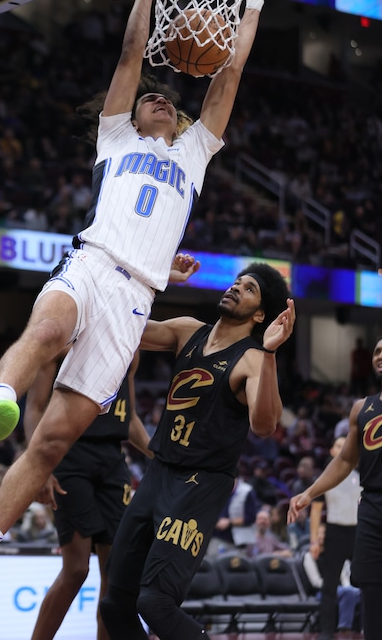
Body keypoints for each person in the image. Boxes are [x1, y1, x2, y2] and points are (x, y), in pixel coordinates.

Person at [0, 0, 269, 623]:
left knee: (53, 443)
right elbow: (129, 54)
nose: (160, 98)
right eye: (151, 96)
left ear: (177, 121)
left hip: (136, 299)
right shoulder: (115, 137)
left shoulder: (195, 153)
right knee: (47, 332)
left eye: (167, 99)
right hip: (92, 261)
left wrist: (250, 6)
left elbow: (228, 76)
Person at [99, 262, 295, 640]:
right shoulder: (188, 330)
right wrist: (154, 279)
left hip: (200, 482)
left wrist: (270, 354)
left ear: (259, 314)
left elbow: (265, 426)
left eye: (250, 288)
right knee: (113, 604)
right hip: (159, 472)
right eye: (237, 281)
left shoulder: (253, 358)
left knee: (154, 602)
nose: (237, 287)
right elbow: (127, 327)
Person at [28, 350, 153, 640]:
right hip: (69, 456)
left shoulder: (129, 350)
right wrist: (39, 466)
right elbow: (34, 408)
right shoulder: (62, 344)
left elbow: (129, 416)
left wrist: (158, 455)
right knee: (76, 570)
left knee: (115, 573)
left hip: (112, 460)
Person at [288, 336, 382, 640]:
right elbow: (344, 461)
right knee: (370, 590)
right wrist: (309, 493)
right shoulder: (361, 409)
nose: (380, 355)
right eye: (378, 351)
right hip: (370, 507)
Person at [299, 434, 361, 640]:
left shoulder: (362, 474)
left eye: (346, 445)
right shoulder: (325, 478)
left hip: (359, 533)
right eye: (338, 445)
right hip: (335, 532)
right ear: (332, 451)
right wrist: (315, 540)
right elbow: (316, 512)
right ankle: (326, 631)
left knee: (368, 582)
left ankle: (366, 627)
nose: (342, 448)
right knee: (329, 585)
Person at [301, 524, 362, 637]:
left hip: (342, 590)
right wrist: (335, 587)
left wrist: (347, 588)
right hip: (320, 592)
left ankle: (362, 629)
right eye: (320, 533)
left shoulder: (337, 554)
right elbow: (315, 582)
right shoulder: (309, 557)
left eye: (325, 533)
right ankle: (344, 630)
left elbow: (344, 577)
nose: (322, 536)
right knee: (348, 592)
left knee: (362, 593)